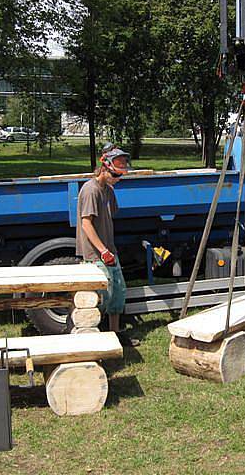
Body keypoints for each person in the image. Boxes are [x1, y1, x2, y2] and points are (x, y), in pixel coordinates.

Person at [76, 142, 138, 345]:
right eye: (116, 175)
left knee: (118, 292)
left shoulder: (108, 190)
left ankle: (115, 332)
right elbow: (86, 224)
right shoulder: (90, 190)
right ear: (104, 169)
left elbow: (111, 214)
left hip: (109, 250)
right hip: (96, 254)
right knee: (103, 294)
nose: (119, 179)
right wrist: (103, 251)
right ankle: (94, 335)